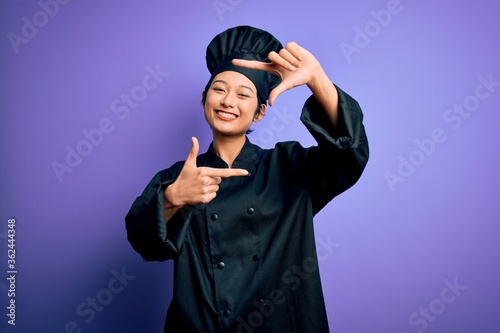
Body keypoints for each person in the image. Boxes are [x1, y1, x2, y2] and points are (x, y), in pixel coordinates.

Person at [125, 25, 369, 333]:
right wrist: (173, 199)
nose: (228, 101)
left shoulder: (289, 166)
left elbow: (349, 156)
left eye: (243, 94)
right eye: (219, 89)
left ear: (260, 112)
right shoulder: (176, 178)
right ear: (204, 98)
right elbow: (143, 242)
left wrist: (317, 78)